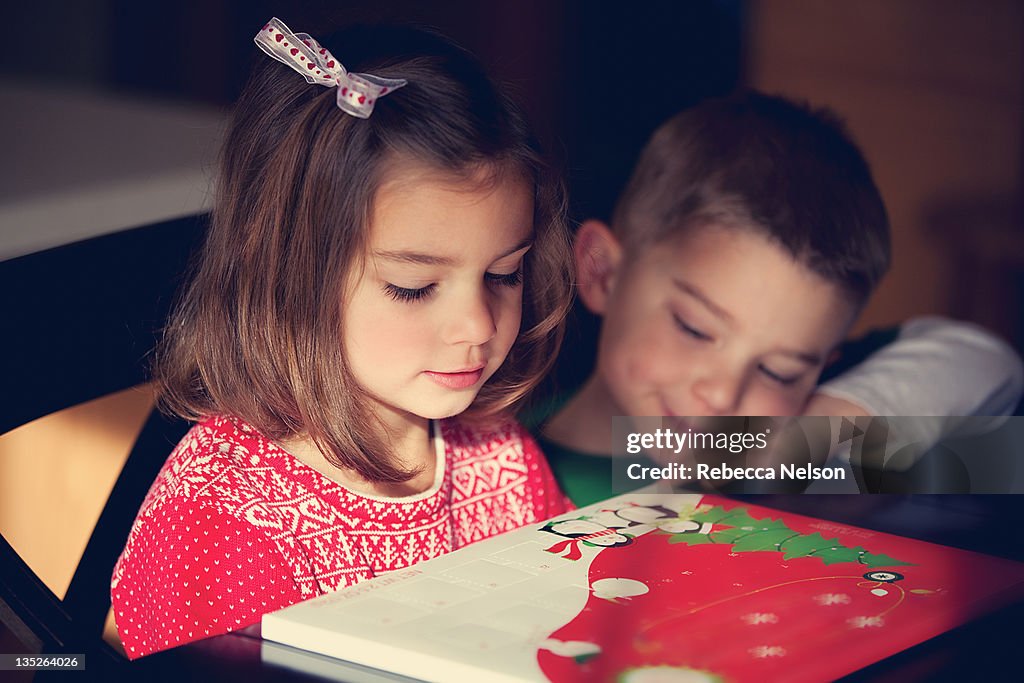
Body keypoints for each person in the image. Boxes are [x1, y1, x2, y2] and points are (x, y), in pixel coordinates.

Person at [111, 19, 573, 659]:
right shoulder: (225, 523)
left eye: (504, 274)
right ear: (284, 272)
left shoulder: (502, 458)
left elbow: (566, 632)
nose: (478, 325)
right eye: (414, 287)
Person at [538, 92, 1023, 504]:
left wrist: (805, 439)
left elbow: (987, 362)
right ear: (603, 273)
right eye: (695, 328)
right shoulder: (487, 456)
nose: (725, 395)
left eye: (780, 371)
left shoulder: (777, 451)